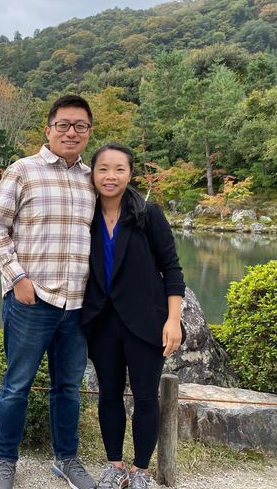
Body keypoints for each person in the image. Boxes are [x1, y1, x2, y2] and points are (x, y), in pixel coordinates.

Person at [0, 95, 97, 489]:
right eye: (63, 124)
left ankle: (67, 459)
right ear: (48, 130)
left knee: (68, 387)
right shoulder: (22, 171)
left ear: (88, 133)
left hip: (78, 303)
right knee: (17, 384)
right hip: (32, 299)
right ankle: (4, 460)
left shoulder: (93, 178)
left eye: (80, 126)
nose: (71, 132)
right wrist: (18, 279)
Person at [82, 143, 186, 489]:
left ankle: (140, 471)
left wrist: (173, 320)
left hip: (146, 321)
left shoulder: (147, 213)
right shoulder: (84, 213)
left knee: (145, 398)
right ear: (92, 173)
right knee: (108, 396)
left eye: (119, 169)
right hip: (102, 321)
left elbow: (171, 268)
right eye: (103, 169)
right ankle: (114, 466)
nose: (110, 176)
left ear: (130, 173)